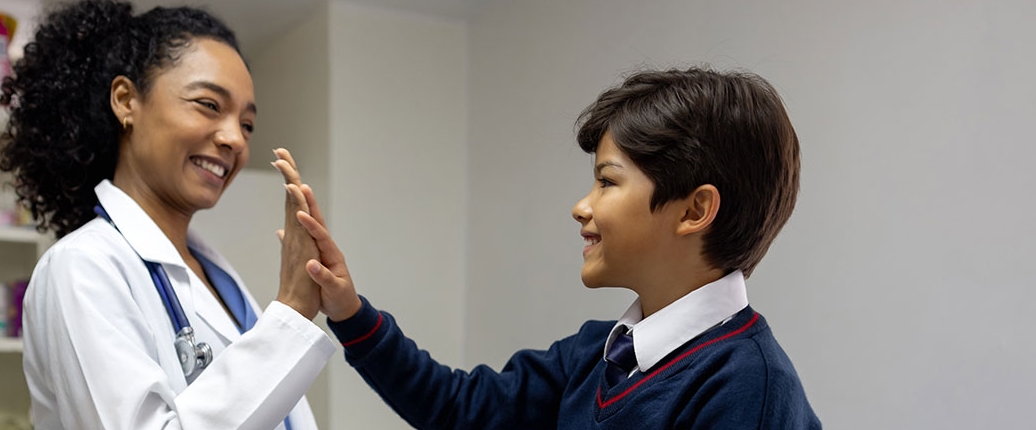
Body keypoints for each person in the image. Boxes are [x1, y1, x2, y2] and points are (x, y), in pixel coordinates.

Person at [279, 68, 823, 428]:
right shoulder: (596, 355)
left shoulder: (749, 387)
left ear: (694, 211)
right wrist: (348, 312)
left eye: (607, 182)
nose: (581, 206)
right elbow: (459, 408)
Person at [0, 1, 332, 428]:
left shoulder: (215, 276)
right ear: (126, 101)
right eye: (209, 105)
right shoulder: (82, 268)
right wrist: (293, 308)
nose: (234, 139)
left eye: (247, 124)